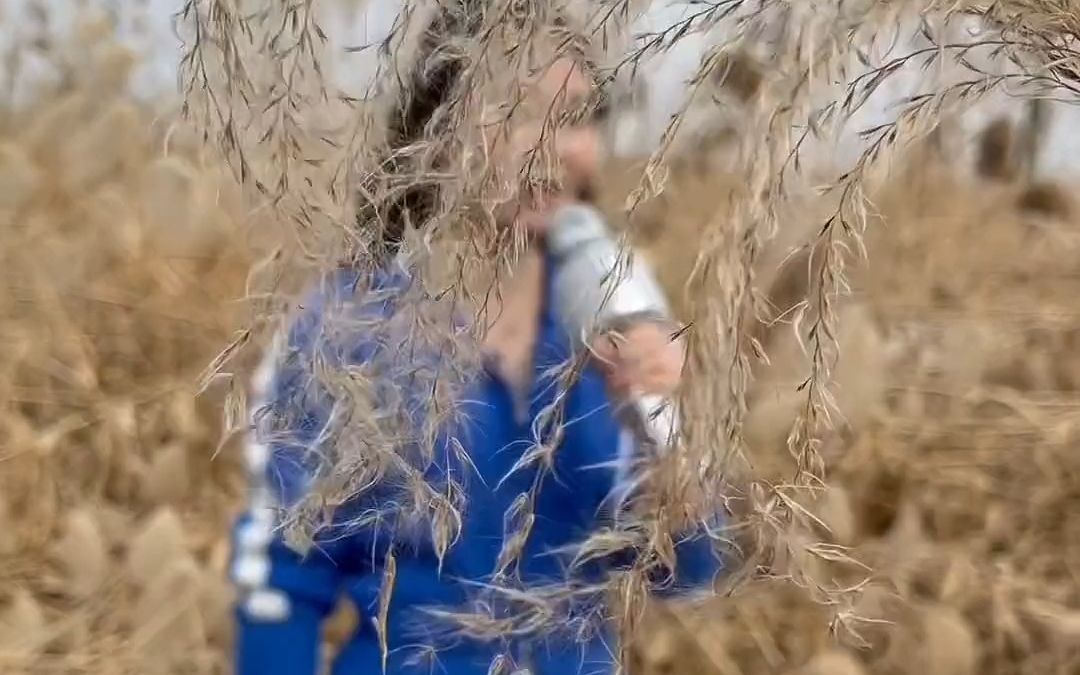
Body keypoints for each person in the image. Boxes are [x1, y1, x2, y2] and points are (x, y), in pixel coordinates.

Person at [229, 3, 724, 674]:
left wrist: (672, 446)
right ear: (435, 129)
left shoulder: (622, 308)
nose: (547, 145)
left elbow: (688, 571)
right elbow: (282, 573)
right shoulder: (349, 324)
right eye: (512, 109)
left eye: (574, 116)